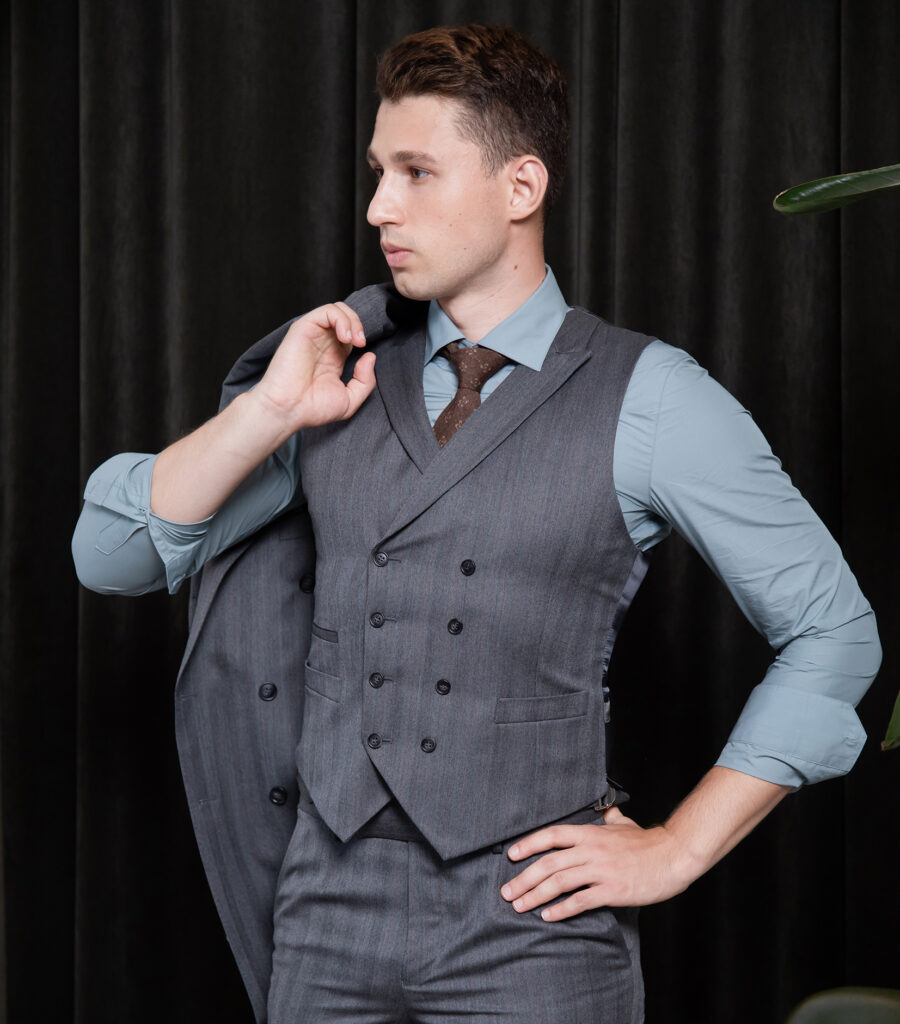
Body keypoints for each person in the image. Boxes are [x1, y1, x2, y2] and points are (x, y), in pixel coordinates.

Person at [72, 23, 880, 1024]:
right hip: (322, 917)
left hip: (534, 927)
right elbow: (108, 557)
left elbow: (836, 632)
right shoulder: (333, 377)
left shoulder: (654, 397)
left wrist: (678, 847)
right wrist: (266, 412)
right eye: (379, 173)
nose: (380, 207)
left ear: (520, 186)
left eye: (416, 173)